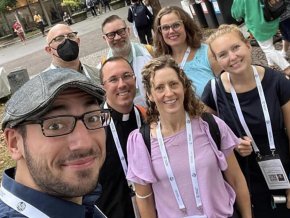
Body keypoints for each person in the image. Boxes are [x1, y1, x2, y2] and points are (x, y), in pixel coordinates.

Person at [126, 56, 252, 218]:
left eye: (173, 84)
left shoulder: (211, 126)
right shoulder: (141, 142)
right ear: (149, 95)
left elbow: (236, 180)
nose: (169, 93)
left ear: (184, 87)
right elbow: (145, 201)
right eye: (159, 88)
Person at [202, 24, 290, 218]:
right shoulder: (213, 91)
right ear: (216, 60)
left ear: (248, 45)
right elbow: (209, 140)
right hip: (245, 183)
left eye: (236, 48)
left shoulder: (277, 82)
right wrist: (232, 144)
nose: (232, 57)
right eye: (223, 54)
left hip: (284, 176)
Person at [0, 68, 111, 217]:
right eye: (55, 126)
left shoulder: (81, 204)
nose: (85, 143)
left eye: (93, 118)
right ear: (14, 143)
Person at [95, 56, 146, 218]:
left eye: (126, 76)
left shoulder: (146, 116)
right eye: (113, 79)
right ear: (103, 87)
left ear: (135, 79)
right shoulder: (94, 126)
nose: (122, 84)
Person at [153, 6, 221, 98]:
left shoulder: (208, 53)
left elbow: (228, 88)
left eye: (176, 25)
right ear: (160, 32)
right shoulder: (160, 63)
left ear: (186, 26)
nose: (171, 31)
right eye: (165, 28)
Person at [100, 15, 153, 106]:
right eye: (111, 35)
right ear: (105, 38)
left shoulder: (149, 52)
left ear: (128, 31)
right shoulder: (103, 66)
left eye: (121, 32)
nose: (117, 37)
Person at [231, 0, 290, 76]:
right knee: (269, 44)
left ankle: (287, 68)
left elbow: (236, 13)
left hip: (258, 24)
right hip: (272, 18)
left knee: (268, 49)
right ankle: (271, 65)